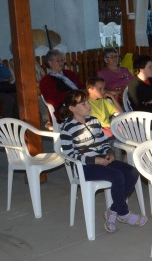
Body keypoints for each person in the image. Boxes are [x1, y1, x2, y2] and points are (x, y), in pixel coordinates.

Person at [59, 90, 146, 234]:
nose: (88, 105)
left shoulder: (93, 121)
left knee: (132, 172)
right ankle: (123, 213)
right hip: (85, 167)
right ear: (72, 108)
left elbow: (103, 142)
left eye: (87, 102)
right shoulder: (67, 127)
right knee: (117, 175)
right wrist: (94, 160)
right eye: (83, 104)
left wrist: (109, 153)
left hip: (102, 160)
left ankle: (113, 211)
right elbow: (69, 153)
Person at [40, 49, 84, 121]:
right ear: (50, 63)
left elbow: (81, 86)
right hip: (64, 109)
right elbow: (52, 100)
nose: (61, 63)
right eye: (58, 61)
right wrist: (73, 96)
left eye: (62, 60)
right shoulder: (46, 81)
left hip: (81, 101)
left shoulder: (69, 73)